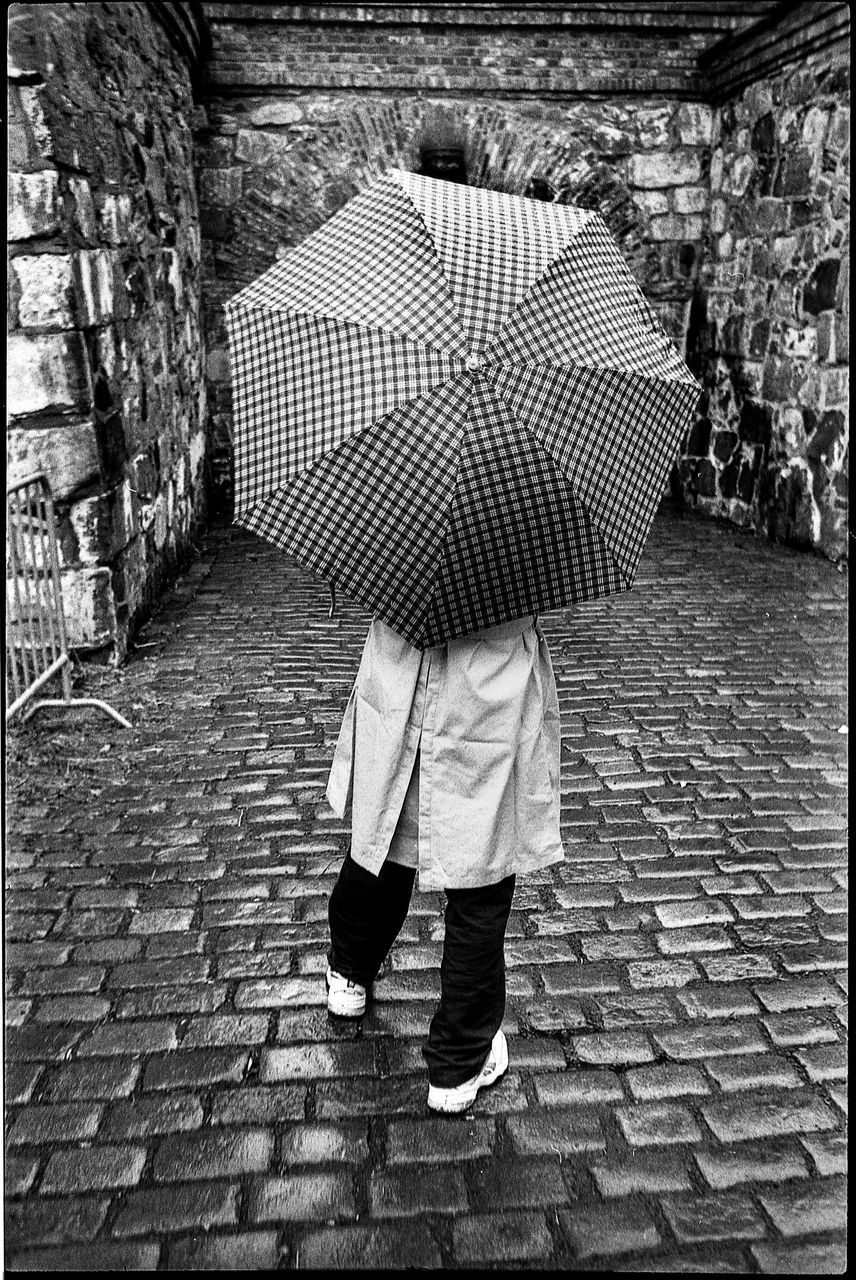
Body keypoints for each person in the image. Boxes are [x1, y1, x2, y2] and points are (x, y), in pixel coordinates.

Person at [324, 611, 563, 1113]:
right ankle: (458, 1065)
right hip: (487, 689)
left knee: (382, 839)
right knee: (481, 875)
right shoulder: (528, 535)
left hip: (402, 660)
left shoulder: (400, 529)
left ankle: (349, 974)